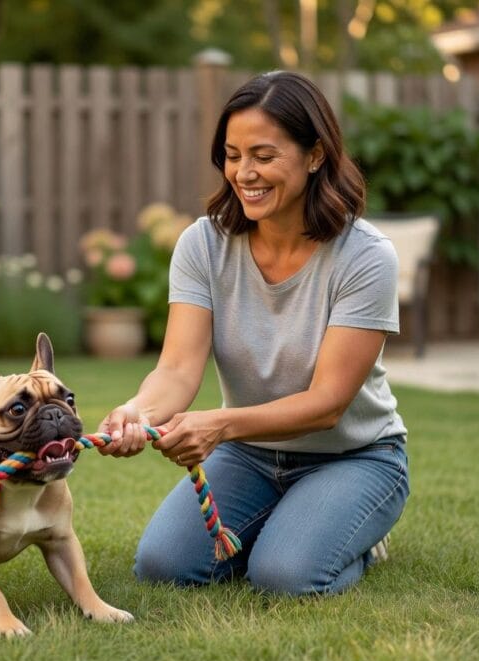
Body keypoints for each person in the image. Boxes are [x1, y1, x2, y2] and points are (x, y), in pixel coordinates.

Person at [95, 71, 409, 596]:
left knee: (283, 577)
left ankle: (358, 539)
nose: (245, 173)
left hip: (354, 456)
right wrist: (138, 412)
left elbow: (329, 403)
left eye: (263, 156)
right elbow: (176, 369)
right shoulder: (203, 245)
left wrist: (219, 425)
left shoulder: (365, 256)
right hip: (250, 455)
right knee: (164, 565)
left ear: (315, 155)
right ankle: (291, 525)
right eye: (233, 155)